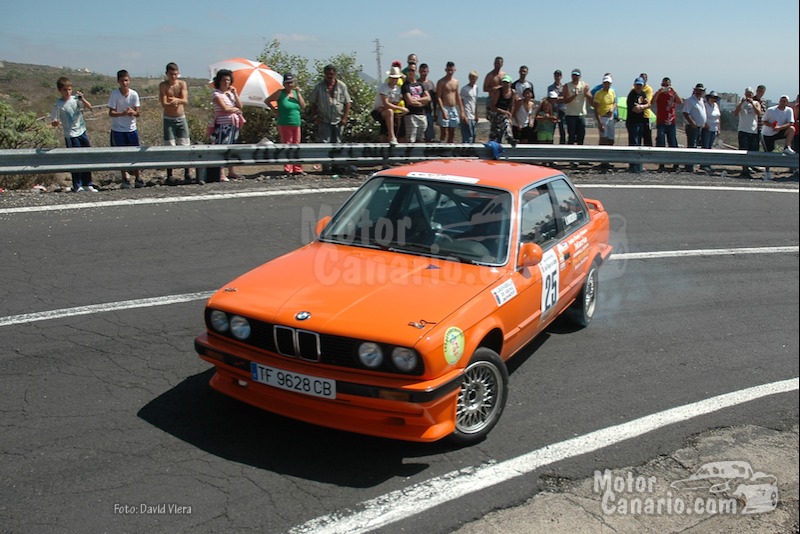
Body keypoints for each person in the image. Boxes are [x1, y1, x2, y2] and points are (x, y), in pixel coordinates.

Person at [50, 77, 97, 192]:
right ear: (60, 90)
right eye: (65, 90)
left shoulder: (76, 100)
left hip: (82, 131)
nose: (68, 92)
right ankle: (78, 184)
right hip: (71, 135)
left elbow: (90, 107)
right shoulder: (58, 104)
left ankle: (87, 183)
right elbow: (54, 121)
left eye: (69, 89)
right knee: (75, 159)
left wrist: (83, 99)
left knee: (86, 156)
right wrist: (56, 123)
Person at [308, 65, 351, 172]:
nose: (329, 76)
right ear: (324, 74)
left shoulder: (342, 86)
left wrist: (345, 117)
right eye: (327, 74)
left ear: (335, 74)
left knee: (338, 143)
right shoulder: (319, 86)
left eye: (331, 74)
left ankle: (337, 166)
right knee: (325, 144)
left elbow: (347, 103)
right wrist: (316, 116)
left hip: (338, 119)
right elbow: (312, 102)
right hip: (324, 119)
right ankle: (326, 168)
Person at [108, 69, 143, 188]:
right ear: (118, 81)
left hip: (131, 128)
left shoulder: (134, 94)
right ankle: (125, 178)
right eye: (122, 81)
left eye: (127, 80)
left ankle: (138, 177)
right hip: (118, 129)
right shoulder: (115, 94)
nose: (125, 83)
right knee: (121, 155)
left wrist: (132, 112)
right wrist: (122, 114)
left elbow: (138, 113)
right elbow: (111, 113)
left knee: (135, 154)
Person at [266, 73, 306, 176]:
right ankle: (288, 168)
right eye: (287, 83)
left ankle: (297, 168)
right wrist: (274, 110)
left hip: (296, 122)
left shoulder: (295, 93)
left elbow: (303, 106)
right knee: (287, 144)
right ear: (284, 84)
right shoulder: (280, 93)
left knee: (296, 144)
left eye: (291, 83)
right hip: (284, 122)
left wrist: (298, 93)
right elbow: (268, 100)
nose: (290, 85)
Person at [159, 62, 192, 185]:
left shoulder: (182, 84)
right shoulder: (163, 85)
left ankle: (187, 172)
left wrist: (177, 100)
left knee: (185, 144)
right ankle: (170, 174)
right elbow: (163, 102)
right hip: (168, 119)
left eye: (175, 74)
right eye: (171, 74)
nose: (173, 76)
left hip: (180, 117)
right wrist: (171, 102)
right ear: (167, 74)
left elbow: (185, 100)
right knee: (170, 146)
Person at [210, 68, 244, 182]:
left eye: (228, 80)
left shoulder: (230, 94)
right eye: (224, 80)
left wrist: (235, 93)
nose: (226, 82)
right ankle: (221, 172)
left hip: (233, 124)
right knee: (222, 147)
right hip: (223, 124)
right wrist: (234, 109)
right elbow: (224, 108)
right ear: (219, 80)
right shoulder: (216, 94)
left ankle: (231, 171)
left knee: (232, 147)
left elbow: (240, 105)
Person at [651, 77, 683, 172]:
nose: (665, 87)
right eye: (663, 85)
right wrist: (658, 92)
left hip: (671, 122)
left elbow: (680, 102)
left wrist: (674, 92)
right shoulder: (659, 95)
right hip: (661, 122)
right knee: (661, 141)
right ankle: (661, 163)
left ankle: (675, 164)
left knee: (673, 142)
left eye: (667, 85)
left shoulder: (672, 94)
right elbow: (652, 102)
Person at [371, 66, 406, 145]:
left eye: (396, 78)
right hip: (378, 111)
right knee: (389, 112)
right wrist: (401, 108)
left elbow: (394, 103)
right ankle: (392, 136)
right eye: (393, 78)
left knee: (394, 117)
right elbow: (386, 103)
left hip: (387, 111)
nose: (395, 80)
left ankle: (393, 136)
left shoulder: (398, 89)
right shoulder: (383, 87)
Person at [734, 87, 762, 178]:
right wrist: (742, 103)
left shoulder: (756, 103)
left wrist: (752, 104)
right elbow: (735, 113)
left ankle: (750, 167)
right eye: (747, 93)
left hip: (753, 130)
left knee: (752, 150)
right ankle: (744, 169)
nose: (748, 95)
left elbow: (758, 113)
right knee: (743, 149)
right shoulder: (740, 103)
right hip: (743, 129)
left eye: (750, 94)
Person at [625, 77, 650, 173]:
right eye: (637, 84)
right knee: (633, 143)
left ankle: (638, 164)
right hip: (632, 122)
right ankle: (633, 165)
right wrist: (642, 107)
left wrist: (641, 106)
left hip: (640, 121)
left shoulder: (642, 94)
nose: (639, 86)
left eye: (641, 85)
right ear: (634, 85)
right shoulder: (631, 95)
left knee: (639, 143)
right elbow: (634, 109)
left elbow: (648, 104)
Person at [563, 68, 592, 148]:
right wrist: (574, 95)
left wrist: (587, 94)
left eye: (577, 75)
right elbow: (565, 100)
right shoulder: (567, 86)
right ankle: (571, 157)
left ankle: (580, 156)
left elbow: (590, 97)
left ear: (580, 76)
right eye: (573, 75)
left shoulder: (584, 85)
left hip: (581, 114)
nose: (575, 77)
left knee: (581, 135)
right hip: (571, 114)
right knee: (571, 136)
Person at [401, 64, 430, 143]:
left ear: (416, 71)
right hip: (411, 115)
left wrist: (417, 100)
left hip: (422, 115)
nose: (411, 72)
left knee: (420, 139)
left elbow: (428, 98)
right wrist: (421, 102)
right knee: (411, 139)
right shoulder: (405, 86)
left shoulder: (421, 84)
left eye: (412, 70)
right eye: (409, 70)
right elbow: (409, 101)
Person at [682, 83, 707, 172]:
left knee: (696, 146)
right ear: (694, 90)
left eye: (701, 91)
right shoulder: (690, 100)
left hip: (699, 127)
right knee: (691, 145)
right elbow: (685, 112)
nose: (699, 92)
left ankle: (693, 164)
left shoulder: (702, 100)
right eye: (697, 90)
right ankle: (689, 165)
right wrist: (692, 123)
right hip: (692, 127)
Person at [436, 62, 462, 143]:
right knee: (444, 131)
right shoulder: (441, 82)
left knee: (452, 132)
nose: (450, 72)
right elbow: (439, 97)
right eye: (448, 70)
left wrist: (462, 110)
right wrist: (443, 110)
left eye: (451, 70)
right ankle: (441, 146)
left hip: (453, 108)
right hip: (445, 107)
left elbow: (457, 96)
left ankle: (450, 148)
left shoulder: (456, 82)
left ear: (454, 70)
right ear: (445, 70)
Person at [489, 74, 515, 145]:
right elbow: (492, 106)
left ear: (510, 83)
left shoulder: (512, 93)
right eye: (504, 82)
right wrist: (504, 112)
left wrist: (510, 116)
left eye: (507, 83)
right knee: (501, 121)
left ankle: (509, 137)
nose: (505, 85)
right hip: (495, 112)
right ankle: (507, 137)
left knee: (506, 121)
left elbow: (512, 106)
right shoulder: (498, 92)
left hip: (505, 113)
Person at [593, 74, 617, 148]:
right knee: (603, 138)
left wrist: (612, 109)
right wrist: (600, 123)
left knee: (611, 139)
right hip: (603, 117)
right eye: (605, 83)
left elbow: (615, 102)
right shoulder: (598, 94)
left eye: (608, 83)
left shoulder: (612, 92)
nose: (606, 84)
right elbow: (596, 109)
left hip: (611, 118)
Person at [418, 63, 437, 142]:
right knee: (418, 135)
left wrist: (435, 112)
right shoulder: (416, 83)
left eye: (425, 71)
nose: (423, 73)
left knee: (429, 135)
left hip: (428, 111)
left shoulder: (431, 84)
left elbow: (435, 99)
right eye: (422, 71)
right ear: (419, 71)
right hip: (418, 111)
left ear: (428, 71)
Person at [547, 70, 567, 144]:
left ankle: (562, 144)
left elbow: (565, 98)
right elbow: (550, 98)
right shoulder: (550, 87)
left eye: (558, 75)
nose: (557, 77)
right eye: (556, 75)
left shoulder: (564, 87)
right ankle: (550, 143)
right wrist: (559, 98)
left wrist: (557, 98)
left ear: (561, 76)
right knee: (551, 128)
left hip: (562, 110)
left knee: (562, 129)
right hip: (553, 110)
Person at [460, 70, 479, 143]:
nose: (473, 80)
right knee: (467, 137)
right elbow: (461, 102)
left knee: (473, 135)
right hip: (467, 115)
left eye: (474, 78)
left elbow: (475, 101)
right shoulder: (464, 89)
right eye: (471, 78)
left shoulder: (476, 88)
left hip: (473, 116)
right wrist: (464, 115)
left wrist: (476, 114)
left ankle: (472, 151)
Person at [638, 73, 654, 146]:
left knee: (647, 137)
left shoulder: (649, 89)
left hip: (646, 115)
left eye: (644, 78)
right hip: (637, 115)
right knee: (637, 136)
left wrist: (640, 104)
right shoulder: (634, 88)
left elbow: (648, 101)